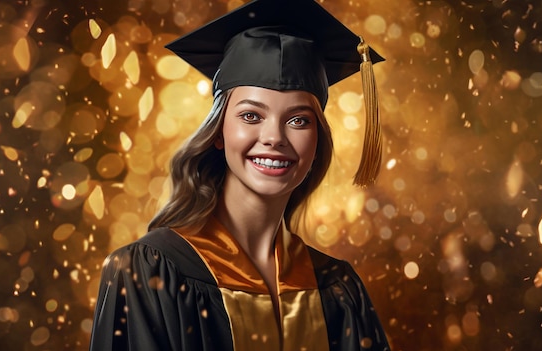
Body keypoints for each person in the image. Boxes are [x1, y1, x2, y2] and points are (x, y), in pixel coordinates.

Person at [89, 0, 390, 349]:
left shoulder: (338, 288)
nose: (274, 137)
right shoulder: (149, 270)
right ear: (219, 132)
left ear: (317, 138)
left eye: (298, 120)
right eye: (251, 116)